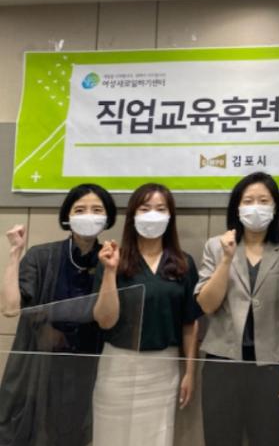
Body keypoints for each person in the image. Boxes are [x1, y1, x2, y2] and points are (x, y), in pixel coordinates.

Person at [195, 172, 279, 446]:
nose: (256, 207)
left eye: (263, 200)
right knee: (220, 439)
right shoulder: (216, 246)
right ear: (237, 207)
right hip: (222, 363)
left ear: (275, 207)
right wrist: (226, 260)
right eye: (248, 201)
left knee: (267, 438)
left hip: (271, 366)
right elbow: (207, 304)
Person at [0, 183, 117, 446]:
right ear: (67, 216)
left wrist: (110, 270)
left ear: (108, 217)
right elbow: (9, 308)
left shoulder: (110, 260)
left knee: (72, 434)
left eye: (97, 210)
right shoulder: (41, 256)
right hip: (38, 366)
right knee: (25, 432)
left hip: (84, 370)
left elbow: (107, 319)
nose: (88, 216)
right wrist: (15, 253)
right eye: (80, 210)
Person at [91, 183, 201, 446]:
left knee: (156, 438)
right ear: (132, 215)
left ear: (170, 217)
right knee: (110, 436)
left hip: (162, 368)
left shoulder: (183, 264)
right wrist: (110, 272)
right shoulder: (112, 259)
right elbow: (105, 320)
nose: (153, 214)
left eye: (160, 209)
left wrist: (190, 371)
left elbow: (189, 323)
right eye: (145, 208)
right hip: (118, 364)